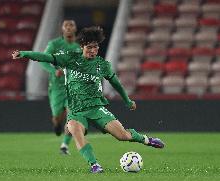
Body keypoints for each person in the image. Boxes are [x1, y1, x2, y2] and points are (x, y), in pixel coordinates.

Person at [11, 26, 165, 173]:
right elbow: (46, 57)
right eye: (90, 47)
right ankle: (95, 165)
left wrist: (127, 100)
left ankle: (146, 139)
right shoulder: (70, 59)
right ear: (82, 46)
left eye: (96, 47)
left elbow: (115, 83)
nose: (93, 50)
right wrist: (24, 53)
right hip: (76, 110)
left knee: (122, 135)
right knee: (76, 132)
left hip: (96, 108)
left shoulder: (102, 65)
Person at [39, 20, 81, 155]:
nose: (69, 28)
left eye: (71, 25)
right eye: (66, 25)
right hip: (57, 87)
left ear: (75, 28)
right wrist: (54, 71)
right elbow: (43, 60)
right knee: (57, 117)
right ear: (62, 29)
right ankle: (57, 124)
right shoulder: (54, 44)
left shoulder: (80, 46)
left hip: (72, 86)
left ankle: (64, 145)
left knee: (72, 116)